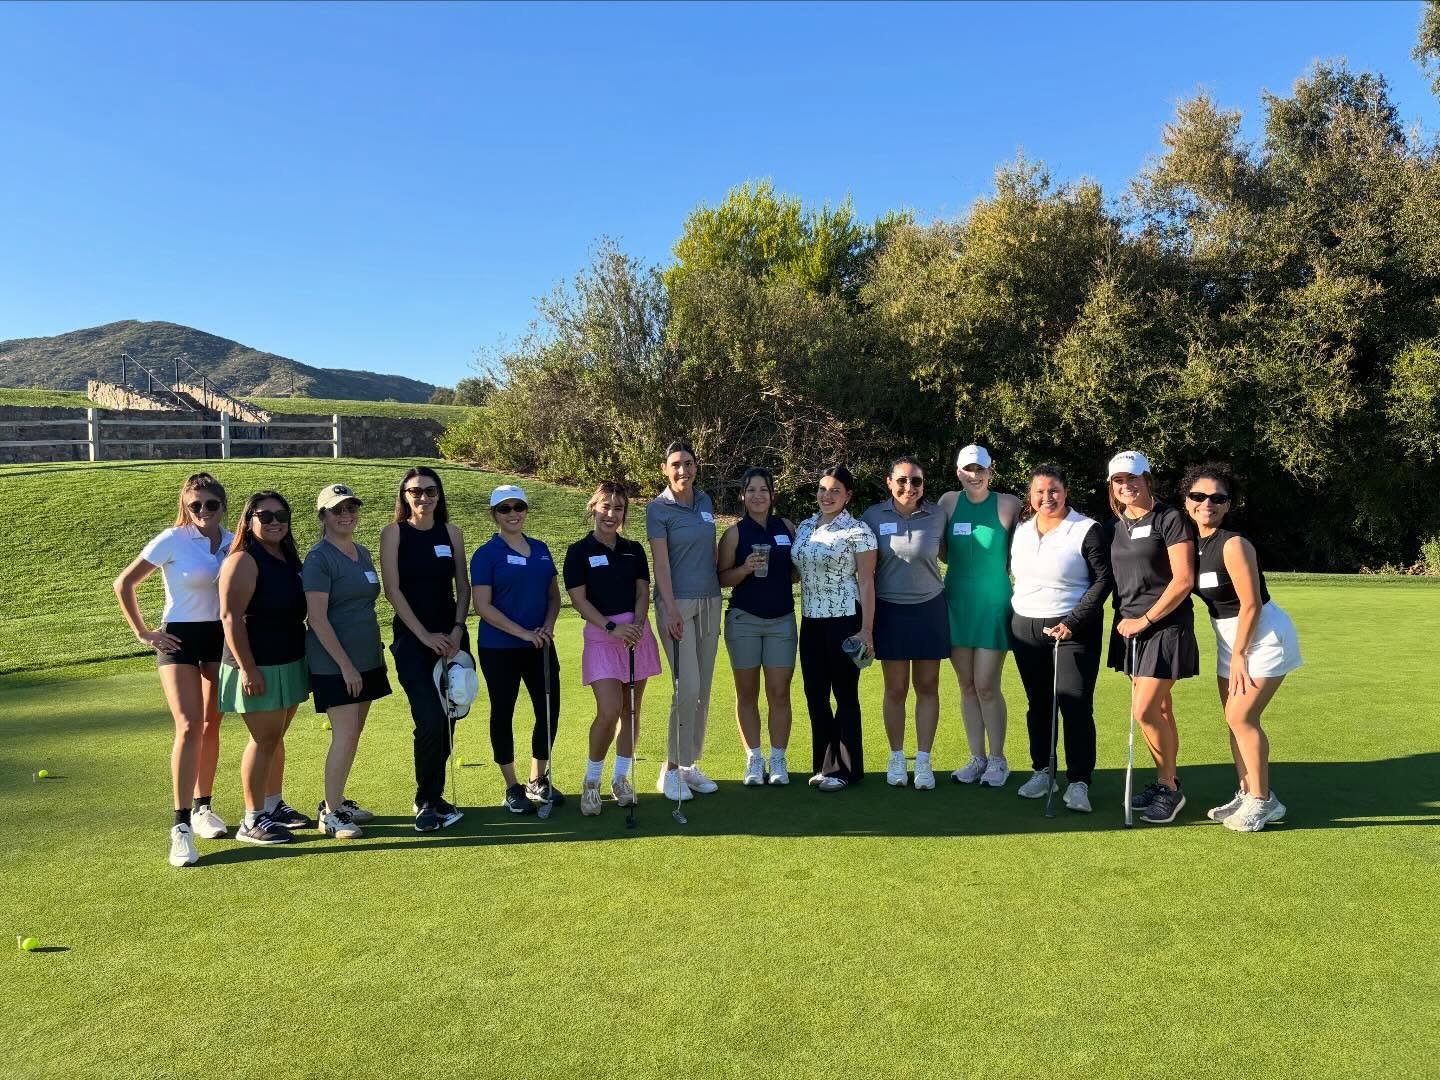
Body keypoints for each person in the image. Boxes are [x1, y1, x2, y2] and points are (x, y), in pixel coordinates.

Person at [114, 472, 234, 866]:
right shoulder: (172, 539)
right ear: (185, 506)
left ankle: (203, 809)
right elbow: (125, 583)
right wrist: (145, 633)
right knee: (187, 725)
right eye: (194, 505)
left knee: (211, 725)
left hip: (219, 639)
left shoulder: (234, 542)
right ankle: (180, 826)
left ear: (222, 506)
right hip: (179, 638)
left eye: (210, 504)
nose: (202, 511)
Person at [1182, 463, 1300, 832]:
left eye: (1218, 498)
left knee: (1241, 718)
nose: (1207, 504)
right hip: (1229, 639)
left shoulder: (1233, 544)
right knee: (1233, 722)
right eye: (1198, 496)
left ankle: (1261, 803)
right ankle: (1249, 792)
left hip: (1261, 638)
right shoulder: (1191, 544)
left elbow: (1250, 603)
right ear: (1186, 501)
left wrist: (1239, 655)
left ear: (1228, 505)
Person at [1008, 465, 1112, 813]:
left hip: (1072, 630)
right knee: (1038, 704)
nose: (1046, 497)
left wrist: (1074, 621)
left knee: (1075, 704)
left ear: (1065, 491)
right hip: (1025, 627)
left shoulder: (1086, 529)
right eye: (1039, 491)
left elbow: (1102, 580)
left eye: (1053, 490)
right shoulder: (1022, 529)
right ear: (1030, 495)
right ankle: (1042, 771)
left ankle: (1079, 782)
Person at [1106, 450, 1198, 825]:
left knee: (1144, 710)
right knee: (1160, 710)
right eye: (1118, 480)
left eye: (1133, 478)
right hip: (1130, 628)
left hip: (1165, 627)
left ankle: (1170, 789)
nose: (1126, 486)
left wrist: (1146, 619)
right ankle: (1167, 781)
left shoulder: (1170, 518)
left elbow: (1183, 580)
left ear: (1147, 478)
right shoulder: (1114, 527)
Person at [217, 491, 312, 846]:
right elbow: (230, 618)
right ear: (249, 520)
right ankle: (251, 819)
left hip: (288, 658)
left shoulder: (286, 555)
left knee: (275, 738)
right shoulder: (242, 559)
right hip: (255, 664)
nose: (274, 521)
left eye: (280, 514)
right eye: (265, 515)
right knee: (263, 739)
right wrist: (247, 669)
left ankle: (273, 805)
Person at [379, 466, 470, 833]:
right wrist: (425, 636)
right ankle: (425, 798)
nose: (423, 497)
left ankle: (435, 794)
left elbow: (463, 588)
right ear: (404, 496)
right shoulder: (394, 534)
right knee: (430, 719)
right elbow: (393, 591)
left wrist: (456, 630)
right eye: (415, 491)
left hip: (452, 640)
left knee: (450, 718)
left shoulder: (453, 533)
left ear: (439, 495)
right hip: (412, 642)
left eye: (430, 491)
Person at [564, 482, 663, 816]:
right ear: (593, 508)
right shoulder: (578, 552)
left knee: (631, 712)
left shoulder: (634, 549)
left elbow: (642, 591)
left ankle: (620, 779)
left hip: (636, 635)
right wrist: (612, 627)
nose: (611, 514)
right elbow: (579, 600)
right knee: (609, 711)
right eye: (605, 506)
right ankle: (591, 782)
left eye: (618, 508)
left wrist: (635, 625)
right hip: (602, 637)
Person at [304, 483, 391, 839]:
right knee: (344, 735)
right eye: (337, 510)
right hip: (335, 664)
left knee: (354, 734)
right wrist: (345, 665)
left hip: (367, 657)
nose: (346, 515)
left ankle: (338, 800)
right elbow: (317, 619)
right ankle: (330, 812)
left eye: (351, 508)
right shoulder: (318, 558)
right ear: (323, 516)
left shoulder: (363, 553)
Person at [471, 484, 563, 814]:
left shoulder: (540, 549)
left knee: (549, 710)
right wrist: (523, 633)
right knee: (503, 712)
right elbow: (482, 605)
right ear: (494, 514)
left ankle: (538, 778)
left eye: (518, 507)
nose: (513, 514)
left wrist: (548, 627)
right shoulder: (486, 554)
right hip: (499, 647)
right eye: (505, 509)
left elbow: (554, 597)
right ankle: (512, 786)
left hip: (540, 643)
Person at [862, 456, 949, 790]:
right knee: (895, 689)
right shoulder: (872, 516)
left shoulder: (938, 514)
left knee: (927, 687)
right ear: (889, 482)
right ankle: (897, 757)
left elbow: (951, 554)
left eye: (916, 481)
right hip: (890, 610)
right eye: (902, 480)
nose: (909, 487)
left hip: (929, 608)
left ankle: (924, 761)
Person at [938, 444, 1021, 787]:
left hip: (993, 604)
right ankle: (977, 758)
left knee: (987, 685)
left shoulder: (1009, 504)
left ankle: (998, 760)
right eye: (968, 469)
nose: (974, 475)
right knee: (967, 684)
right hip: (956, 601)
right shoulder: (947, 502)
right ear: (959, 472)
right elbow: (941, 550)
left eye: (980, 469)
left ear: (990, 471)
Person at [791, 466, 877, 792]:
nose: (827, 495)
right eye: (823, 489)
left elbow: (867, 582)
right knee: (815, 694)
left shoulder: (858, 531)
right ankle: (823, 766)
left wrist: (867, 630)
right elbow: (799, 570)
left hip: (845, 620)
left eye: (835, 490)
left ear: (848, 495)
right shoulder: (805, 526)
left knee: (844, 694)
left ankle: (847, 769)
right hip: (811, 621)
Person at [646, 439, 723, 802]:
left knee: (703, 690)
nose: (683, 470)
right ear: (665, 468)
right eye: (675, 464)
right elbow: (661, 563)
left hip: (710, 600)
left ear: (696, 466)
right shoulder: (657, 509)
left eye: (688, 463)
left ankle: (690, 765)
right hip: (676, 605)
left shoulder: (705, 501)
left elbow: (710, 552)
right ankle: (671, 769)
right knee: (687, 687)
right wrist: (671, 608)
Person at [718, 467, 798, 786]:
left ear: (772, 494)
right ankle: (754, 758)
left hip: (782, 621)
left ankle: (778, 757)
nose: (757, 495)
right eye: (751, 490)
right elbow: (722, 578)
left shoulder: (787, 528)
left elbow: (796, 570)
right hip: (744, 621)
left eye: (763, 489)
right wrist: (744, 569)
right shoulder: (735, 533)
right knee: (747, 693)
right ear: (743, 496)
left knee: (779, 692)